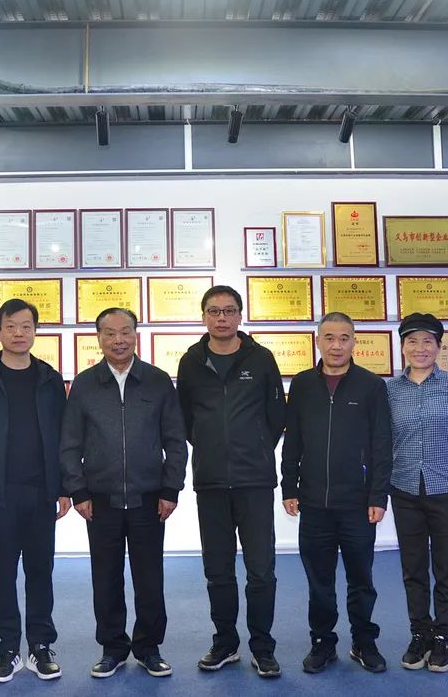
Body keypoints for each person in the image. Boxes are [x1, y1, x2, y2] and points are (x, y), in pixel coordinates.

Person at [60, 307, 188, 679]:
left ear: (136, 334)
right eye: (110, 333)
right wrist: (78, 490)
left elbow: (175, 440)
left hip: (150, 499)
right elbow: (69, 444)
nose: (118, 340)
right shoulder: (85, 384)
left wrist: (171, 488)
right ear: (98, 337)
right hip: (100, 501)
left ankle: (148, 647)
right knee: (106, 578)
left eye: (125, 332)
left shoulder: (157, 381)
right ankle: (112, 648)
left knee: (150, 578)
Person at [176, 285, 287, 678]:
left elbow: (277, 415)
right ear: (204, 316)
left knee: (261, 570)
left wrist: (254, 447)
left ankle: (262, 646)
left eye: (228, 310)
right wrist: (212, 446)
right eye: (213, 311)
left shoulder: (261, 358)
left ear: (240, 315)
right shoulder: (191, 362)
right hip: (210, 481)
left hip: (254, 480)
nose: (221, 318)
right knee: (217, 570)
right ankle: (225, 643)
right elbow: (184, 419)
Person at [0, 299, 70, 683]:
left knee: (41, 571)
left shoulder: (50, 379)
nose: (19, 333)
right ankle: (7, 648)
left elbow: (63, 438)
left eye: (26, 326)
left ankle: (40, 645)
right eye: (11, 326)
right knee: (2, 574)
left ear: (36, 331)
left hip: (41, 493)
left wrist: (63, 488)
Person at [281, 312, 393, 675]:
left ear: (354, 342)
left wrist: (378, 496)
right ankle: (323, 643)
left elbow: (382, 445)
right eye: (329, 337)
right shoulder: (302, 385)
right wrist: (289, 486)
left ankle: (364, 641)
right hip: (314, 504)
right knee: (320, 582)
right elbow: (292, 441)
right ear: (318, 341)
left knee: (361, 579)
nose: (336, 345)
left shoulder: (371, 386)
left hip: (358, 504)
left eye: (344, 338)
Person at [386, 313, 448, 673]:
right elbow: (382, 438)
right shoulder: (390, 391)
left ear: (439, 347)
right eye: (412, 341)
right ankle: (419, 633)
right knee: (412, 568)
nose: (420, 348)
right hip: (405, 488)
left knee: (446, 566)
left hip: (447, 489)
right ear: (403, 347)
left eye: (428, 341)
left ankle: (442, 634)